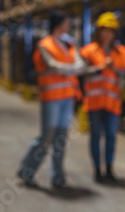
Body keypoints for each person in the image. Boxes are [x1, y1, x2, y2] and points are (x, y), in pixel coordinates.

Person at [17, 11, 95, 190]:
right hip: (51, 98)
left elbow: (80, 65)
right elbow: (53, 66)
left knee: (60, 138)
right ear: (59, 24)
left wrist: (68, 69)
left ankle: (58, 177)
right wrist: (72, 68)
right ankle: (26, 171)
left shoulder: (69, 42)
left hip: (67, 97)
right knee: (46, 137)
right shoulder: (44, 45)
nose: (70, 25)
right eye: (67, 21)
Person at [79, 12, 125, 183]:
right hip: (94, 102)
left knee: (111, 136)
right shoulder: (88, 51)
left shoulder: (122, 53)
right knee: (95, 135)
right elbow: (81, 71)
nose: (107, 34)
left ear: (115, 33)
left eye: (110, 30)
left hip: (112, 102)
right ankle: (97, 170)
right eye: (104, 30)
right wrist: (101, 67)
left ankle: (109, 169)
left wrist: (116, 69)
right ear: (99, 32)